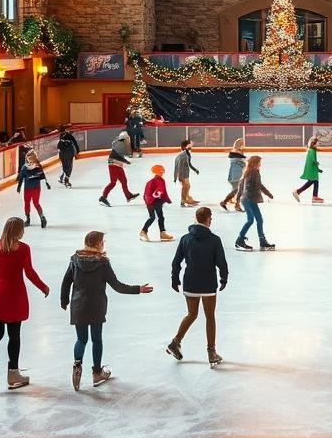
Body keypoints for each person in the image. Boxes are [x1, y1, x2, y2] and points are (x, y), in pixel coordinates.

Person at [60, 230, 153, 389]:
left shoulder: (75, 259)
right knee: (96, 339)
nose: (103, 245)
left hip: (78, 306)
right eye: (102, 242)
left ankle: (77, 365)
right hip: (96, 307)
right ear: (98, 244)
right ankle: (97, 373)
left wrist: (64, 300)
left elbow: (66, 281)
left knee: (81, 339)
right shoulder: (102, 263)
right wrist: (138, 289)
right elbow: (117, 286)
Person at [0, 216, 49, 391]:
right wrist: (43, 286)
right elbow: (29, 272)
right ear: (19, 231)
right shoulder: (23, 249)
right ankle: (13, 373)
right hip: (15, 295)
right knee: (14, 335)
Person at [167, 207, 228, 368]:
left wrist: (174, 278)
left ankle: (175, 342)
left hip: (190, 283)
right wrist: (224, 278)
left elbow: (176, 261)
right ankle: (211, 352)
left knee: (192, 314)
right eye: (211, 218)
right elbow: (221, 262)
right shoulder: (215, 240)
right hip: (208, 285)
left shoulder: (186, 238)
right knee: (210, 316)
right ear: (208, 219)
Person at [235, 155, 275, 251]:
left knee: (256, 220)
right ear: (255, 163)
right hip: (249, 199)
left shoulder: (248, 172)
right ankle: (240, 240)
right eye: (259, 162)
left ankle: (261, 241)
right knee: (253, 220)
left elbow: (241, 186)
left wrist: (238, 199)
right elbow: (256, 186)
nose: (260, 164)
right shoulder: (254, 172)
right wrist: (269, 195)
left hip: (247, 199)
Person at [98, 130, 138, 207]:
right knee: (113, 182)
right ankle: (103, 197)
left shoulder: (120, 143)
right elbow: (116, 155)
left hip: (118, 164)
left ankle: (128, 196)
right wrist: (126, 161)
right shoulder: (119, 144)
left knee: (124, 181)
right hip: (113, 164)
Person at [16, 149, 51, 227]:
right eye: (28, 158)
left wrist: (46, 183)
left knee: (31, 203)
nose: (28, 160)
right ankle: (35, 218)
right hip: (32, 188)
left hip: (31, 188)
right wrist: (19, 186)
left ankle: (37, 218)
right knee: (32, 203)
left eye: (29, 158)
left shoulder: (29, 167)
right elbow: (21, 177)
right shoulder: (32, 166)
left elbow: (42, 175)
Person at [141, 165, 174, 242]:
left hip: (157, 201)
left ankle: (162, 233)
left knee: (161, 217)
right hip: (151, 202)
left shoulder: (162, 180)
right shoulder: (152, 182)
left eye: (162, 171)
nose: (162, 173)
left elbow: (163, 191)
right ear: (156, 172)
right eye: (160, 171)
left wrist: (166, 199)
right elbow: (147, 193)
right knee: (152, 217)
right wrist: (150, 201)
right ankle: (143, 231)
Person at [293, 136, 324, 204]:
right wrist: (317, 166)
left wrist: (317, 168)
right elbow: (313, 160)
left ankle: (314, 196)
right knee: (313, 181)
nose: (317, 145)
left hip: (312, 168)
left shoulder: (312, 150)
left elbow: (313, 160)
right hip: (312, 168)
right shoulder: (312, 150)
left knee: (315, 181)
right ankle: (298, 192)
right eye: (316, 144)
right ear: (313, 144)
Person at [220, 139, 245, 211]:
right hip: (236, 173)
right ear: (240, 144)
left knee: (237, 189)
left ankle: (230, 202)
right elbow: (237, 162)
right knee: (238, 189)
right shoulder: (235, 152)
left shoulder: (237, 152)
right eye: (243, 144)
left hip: (236, 173)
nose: (244, 145)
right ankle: (230, 203)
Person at [173, 139, 199, 207]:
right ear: (185, 147)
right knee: (185, 186)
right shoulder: (183, 156)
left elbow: (189, 163)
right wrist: (180, 177)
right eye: (190, 145)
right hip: (182, 174)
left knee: (187, 186)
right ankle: (183, 201)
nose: (192, 146)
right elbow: (179, 167)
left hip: (185, 173)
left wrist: (195, 169)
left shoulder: (187, 154)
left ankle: (187, 198)